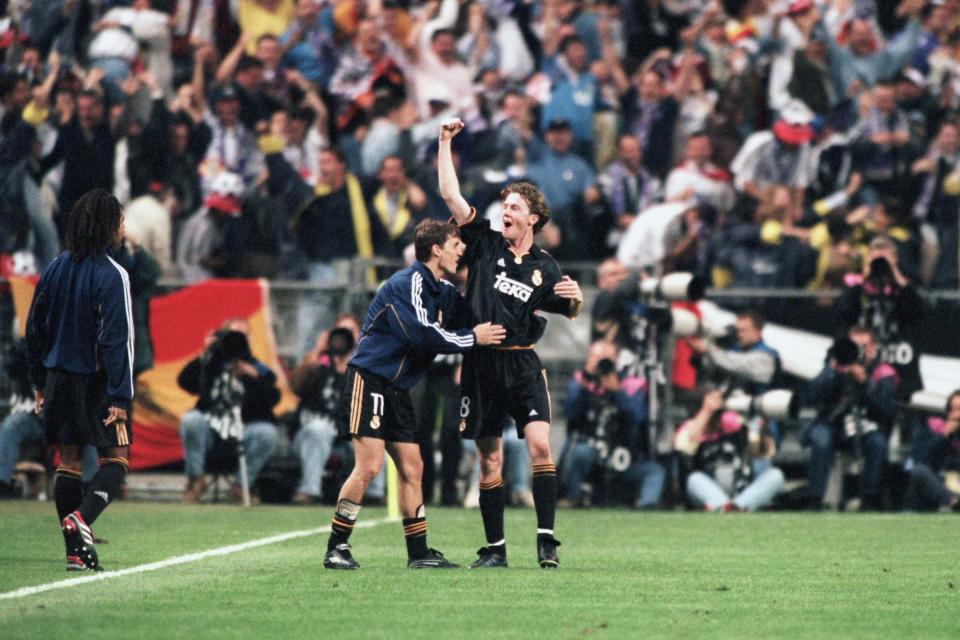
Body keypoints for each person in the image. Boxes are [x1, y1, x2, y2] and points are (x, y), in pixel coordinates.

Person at [438, 117, 584, 569]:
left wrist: (575, 301)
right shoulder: (483, 243)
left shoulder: (546, 266)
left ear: (534, 218)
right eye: (505, 204)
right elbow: (450, 195)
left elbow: (567, 308)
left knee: (541, 446)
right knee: (490, 461)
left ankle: (545, 541)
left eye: (516, 206)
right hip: (481, 364)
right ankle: (496, 549)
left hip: (523, 365)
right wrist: (444, 143)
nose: (507, 210)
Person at [323, 219, 506, 570]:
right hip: (370, 378)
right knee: (370, 465)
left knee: (413, 466)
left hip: (397, 388)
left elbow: (474, 315)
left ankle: (418, 552)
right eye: (455, 245)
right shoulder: (407, 283)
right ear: (436, 249)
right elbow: (421, 335)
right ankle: (336, 546)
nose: (460, 251)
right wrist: (472, 339)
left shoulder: (443, 290)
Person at [25, 189, 134, 571]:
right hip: (97, 382)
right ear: (108, 226)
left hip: (57, 378)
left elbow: (34, 327)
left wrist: (39, 381)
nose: (123, 228)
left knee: (69, 461)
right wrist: (120, 395)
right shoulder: (113, 274)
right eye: (120, 221)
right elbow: (116, 340)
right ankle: (82, 520)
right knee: (116, 459)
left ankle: (76, 552)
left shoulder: (54, 268)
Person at [177, 318, 280, 504]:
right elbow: (184, 382)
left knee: (267, 433)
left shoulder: (256, 367)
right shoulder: (209, 364)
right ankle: (196, 480)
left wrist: (253, 377)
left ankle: (241, 485)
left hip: (244, 430)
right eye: (231, 335)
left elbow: (273, 397)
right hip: (211, 430)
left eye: (241, 336)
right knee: (191, 420)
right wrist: (206, 352)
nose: (235, 341)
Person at [803, 326, 899, 510]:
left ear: (873, 347)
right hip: (834, 425)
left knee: (877, 443)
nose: (857, 352)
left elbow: (886, 411)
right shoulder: (835, 365)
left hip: (866, 426)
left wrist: (864, 383)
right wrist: (832, 371)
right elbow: (811, 396)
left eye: (863, 346)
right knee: (820, 437)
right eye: (853, 346)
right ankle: (814, 498)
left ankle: (870, 499)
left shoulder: (882, 372)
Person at [674, 389, 784, 512]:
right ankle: (724, 505)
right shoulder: (691, 426)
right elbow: (684, 447)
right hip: (708, 491)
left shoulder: (731, 422)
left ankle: (736, 507)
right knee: (694, 479)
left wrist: (762, 428)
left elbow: (762, 453)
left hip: (740, 491)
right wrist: (707, 410)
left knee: (776, 475)